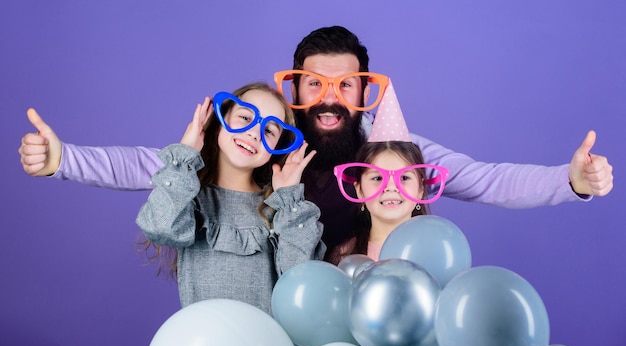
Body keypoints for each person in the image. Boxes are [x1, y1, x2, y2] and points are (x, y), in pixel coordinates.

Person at [18, 26, 614, 254]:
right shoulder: (262, 142)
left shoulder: (392, 152)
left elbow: (488, 179)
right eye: (315, 82)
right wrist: (62, 159)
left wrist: (571, 181)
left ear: (363, 94)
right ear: (297, 85)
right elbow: (157, 163)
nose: (330, 95)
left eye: (346, 84)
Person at [135, 82, 325, 314]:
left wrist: (288, 199)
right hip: (205, 342)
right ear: (220, 123)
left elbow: (302, 282)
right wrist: (185, 153)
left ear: (277, 147)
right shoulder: (189, 195)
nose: (254, 133)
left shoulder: (278, 209)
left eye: (268, 131)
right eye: (246, 118)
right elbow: (161, 226)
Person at [325, 82, 449, 265]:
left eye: (404, 177)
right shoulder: (345, 256)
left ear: (421, 187)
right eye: (377, 178)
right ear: (359, 190)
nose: (391, 186)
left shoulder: (439, 251)